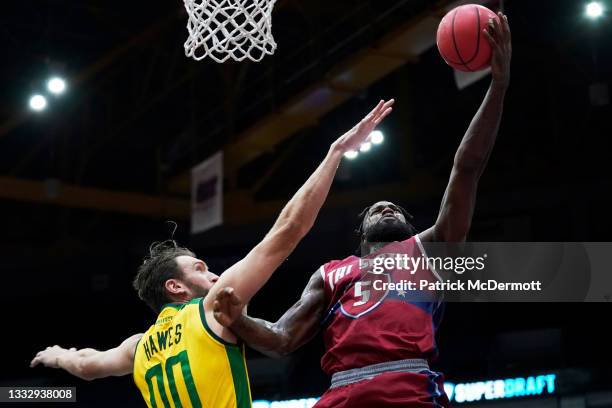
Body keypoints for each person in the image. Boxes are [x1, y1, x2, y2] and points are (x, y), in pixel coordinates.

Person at [212, 13, 512, 408]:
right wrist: (238, 319)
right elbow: (283, 338)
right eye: (376, 208)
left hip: (409, 389)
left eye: (395, 209)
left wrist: (498, 85)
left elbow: (467, 166)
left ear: (409, 226)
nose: (387, 207)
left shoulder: (430, 250)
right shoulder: (331, 273)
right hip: (341, 394)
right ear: (361, 233)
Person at [30, 99, 395, 408]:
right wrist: (335, 153)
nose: (215, 275)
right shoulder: (212, 309)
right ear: (175, 287)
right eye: (200, 268)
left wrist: (56, 354)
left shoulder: (137, 348)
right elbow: (288, 230)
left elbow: (85, 364)